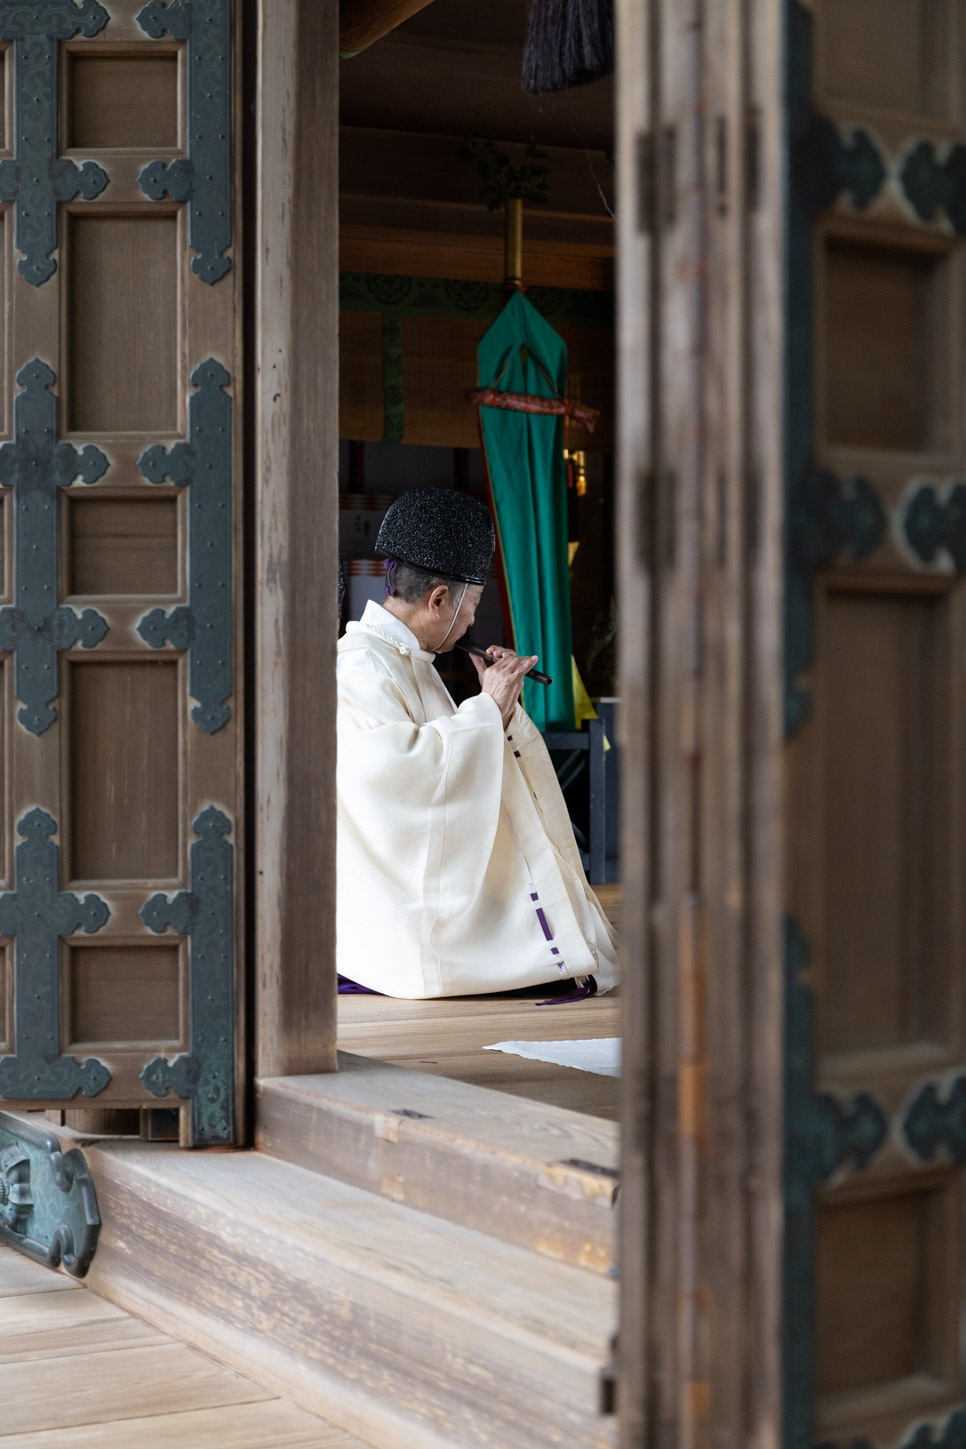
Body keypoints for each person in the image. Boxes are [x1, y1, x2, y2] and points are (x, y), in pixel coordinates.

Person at [336, 487, 618, 1000]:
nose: (472, 623)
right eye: (473, 606)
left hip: (421, 892)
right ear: (439, 599)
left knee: (552, 943)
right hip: (391, 917)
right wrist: (486, 710)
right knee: (528, 952)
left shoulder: (409, 660)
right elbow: (396, 779)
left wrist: (499, 710)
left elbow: (452, 754)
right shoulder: (357, 665)